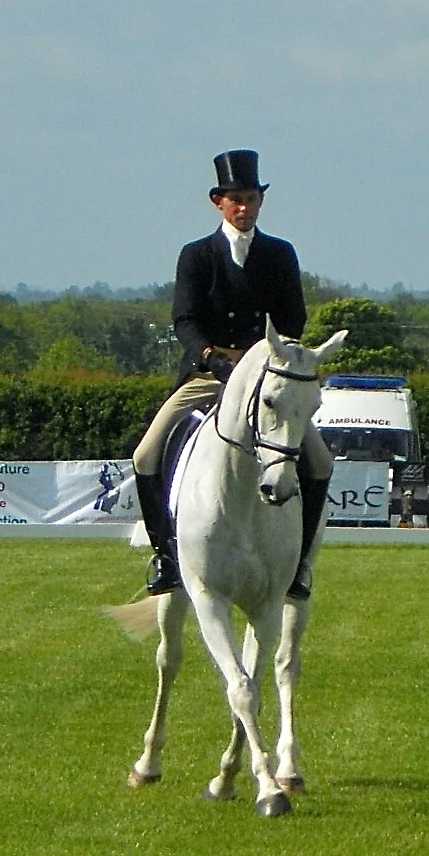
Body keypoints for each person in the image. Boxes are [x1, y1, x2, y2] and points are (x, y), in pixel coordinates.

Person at [132, 149, 333, 597]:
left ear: (260, 202)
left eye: (251, 199)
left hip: (264, 376)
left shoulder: (280, 254)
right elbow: (184, 320)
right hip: (207, 372)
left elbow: (293, 320)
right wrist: (214, 359)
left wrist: (260, 360)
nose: (244, 208)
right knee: (145, 455)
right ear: (218, 202)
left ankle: (298, 566)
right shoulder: (197, 255)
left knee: (320, 462)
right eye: (235, 200)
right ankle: (165, 557)